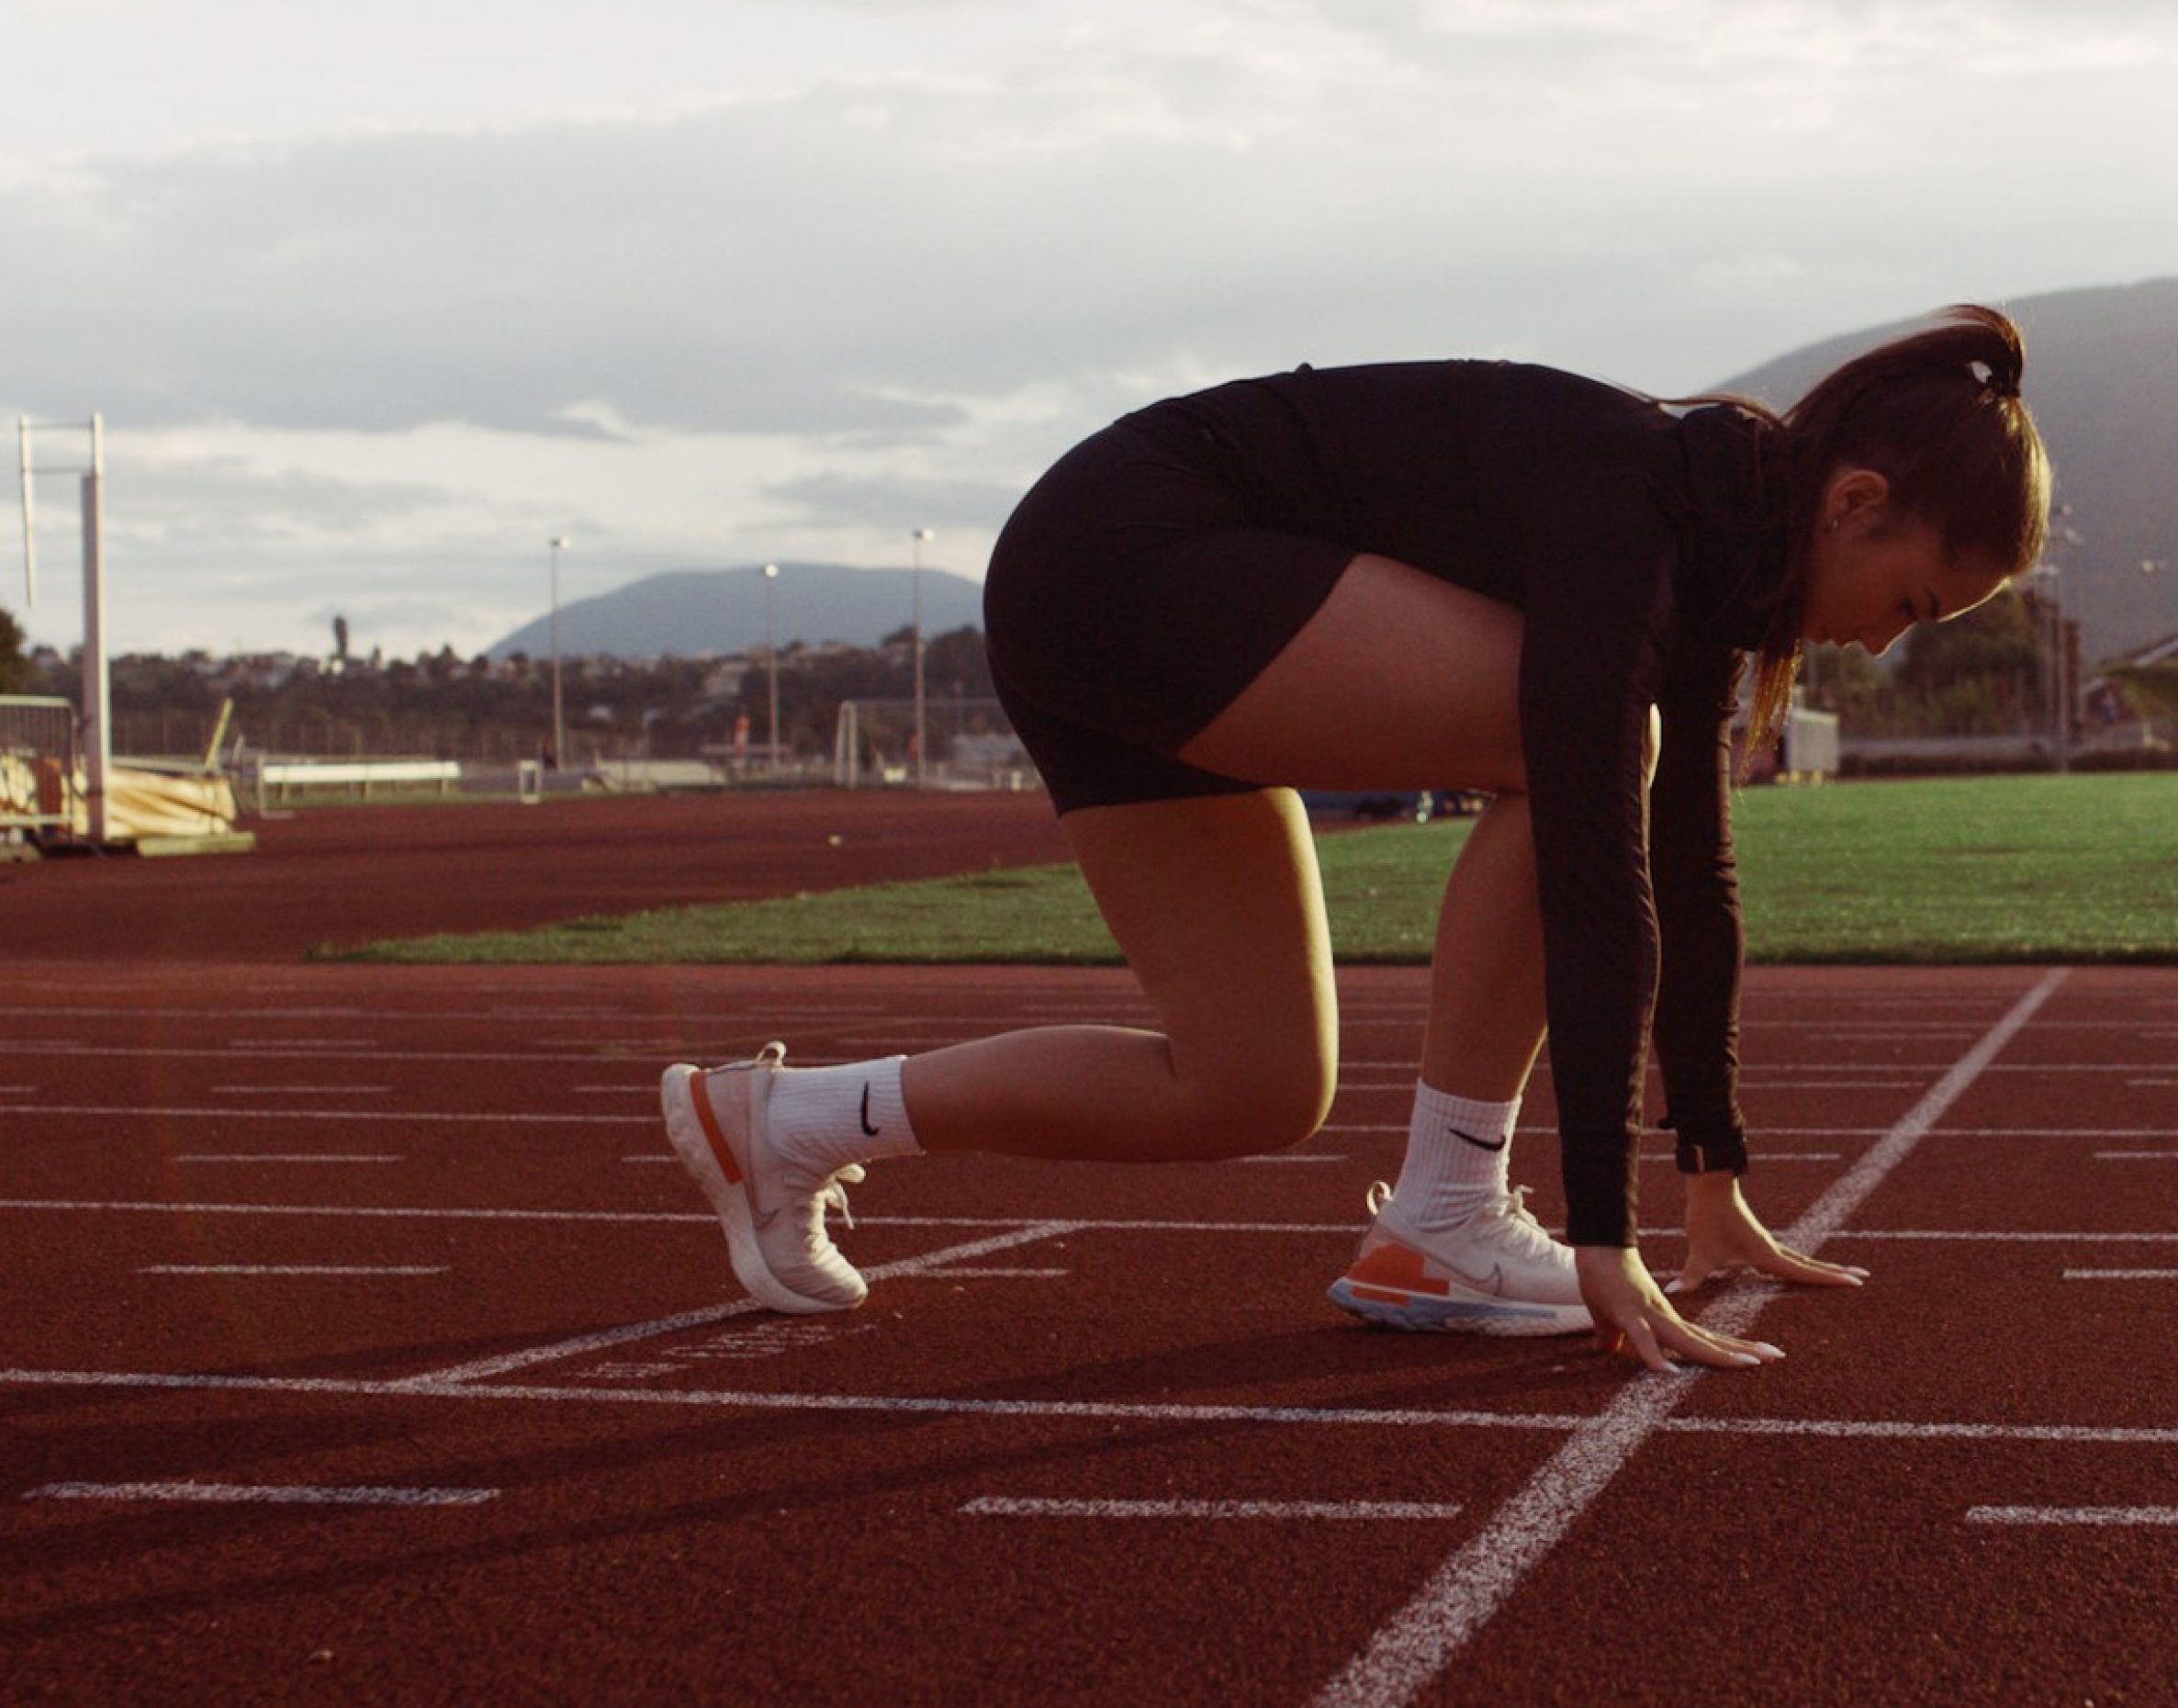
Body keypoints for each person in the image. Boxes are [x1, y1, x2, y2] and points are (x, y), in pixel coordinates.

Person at [661, 308, 2051, 1371]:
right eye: (1910, 603)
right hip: (1134, 551)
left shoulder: (1725, 550)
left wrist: (1714, 1176)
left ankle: (782, 1122)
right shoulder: (1634, 504)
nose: (1879, 642)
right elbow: (1595, 874)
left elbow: (1693, 869)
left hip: (1105, 599)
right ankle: (1449, 1212)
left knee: (1248, 1086)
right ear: (1856, 502)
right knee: (1583, 753)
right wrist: (1608, 1236)